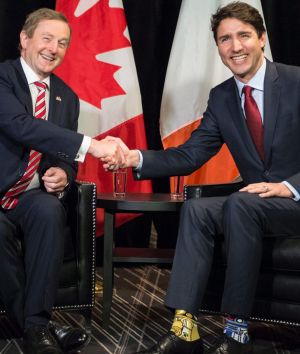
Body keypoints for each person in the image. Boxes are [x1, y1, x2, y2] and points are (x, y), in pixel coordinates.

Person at [104, 2, 300, 353]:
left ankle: (236, 331)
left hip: (294, 199)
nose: (235, 46)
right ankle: (185, 328)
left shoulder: (295, 81)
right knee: (197, 209)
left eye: (243, 36)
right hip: (257, 203)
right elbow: (191, 154)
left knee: (241, 202)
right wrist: (134, 157)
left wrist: (288, 186)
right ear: (218, 48)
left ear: (263, 39)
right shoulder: (222, 97)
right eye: (225, 39)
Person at [0, 8, 127, 354]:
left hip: (28, 196)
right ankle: (37, 328)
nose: (53, 48)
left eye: (62, 43)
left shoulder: (66, 97)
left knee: (49, 211)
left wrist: (64, 172)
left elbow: (61, 151)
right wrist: (93, 146)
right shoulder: (2, 79)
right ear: (24, 40)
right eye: (46, 38)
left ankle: (36, 326)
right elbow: (20, 125)